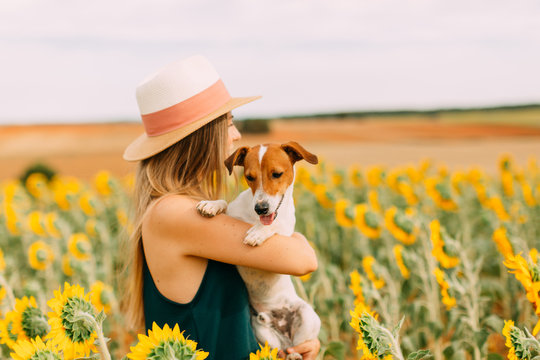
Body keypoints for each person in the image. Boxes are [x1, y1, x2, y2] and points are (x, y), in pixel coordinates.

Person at [121, 55, 320, 360]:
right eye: (228, 124)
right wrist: (299, 239)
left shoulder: (187, 210)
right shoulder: (173, 214)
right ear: (200, 137)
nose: (237, 135)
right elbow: (303, 259)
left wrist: (286, 347)